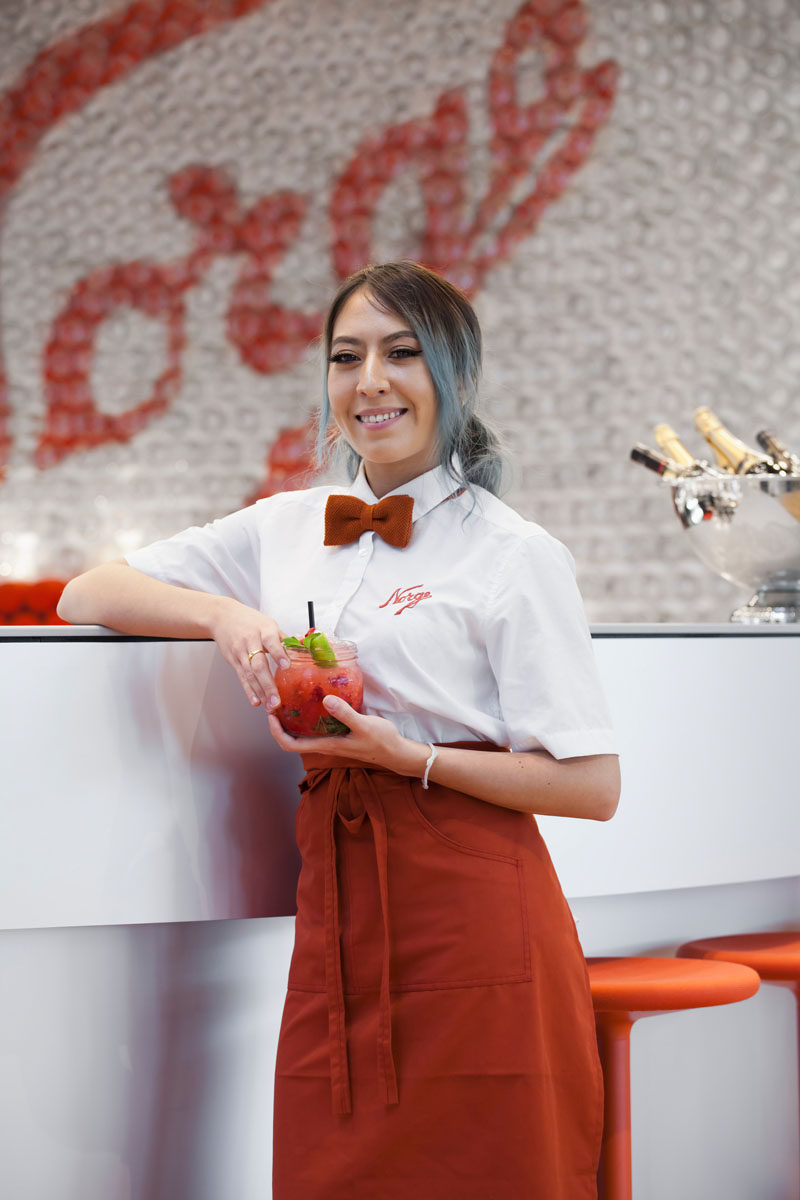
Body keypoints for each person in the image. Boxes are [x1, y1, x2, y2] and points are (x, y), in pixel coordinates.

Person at [59, 260, 620, 1199]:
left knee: (492, 1167)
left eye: (402, 354)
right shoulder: (285, 524)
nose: (370, 382)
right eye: (346, 356)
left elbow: (591, 787)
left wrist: (413, 756)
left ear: (456, 374)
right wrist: (225, 617)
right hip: (340, 896)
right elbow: (88, 592)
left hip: (473, 905)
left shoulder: (515, 554)